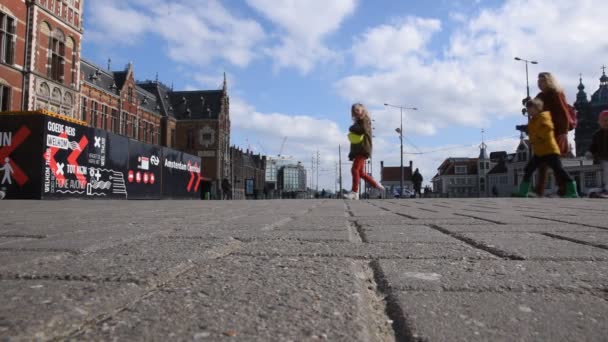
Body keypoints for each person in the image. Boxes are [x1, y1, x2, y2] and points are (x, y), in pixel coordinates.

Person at [514, 99, 578, 198]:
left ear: (537, 108)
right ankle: (523, 192)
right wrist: (523, 128)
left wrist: (539, 136)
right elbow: (531, 128)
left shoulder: (544, 117)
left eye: (530, 109)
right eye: (528, 110)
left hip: (549, 151)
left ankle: (573, 191)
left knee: (559, 170)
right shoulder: (533, 120)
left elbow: (547, 128)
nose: (529, 112)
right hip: (540, 152)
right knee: (528, 169)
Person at [532, 72, 571, 196]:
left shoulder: (556, 94)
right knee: (544, 163)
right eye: (538, 81)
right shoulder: (540, 96)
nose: (539, 83)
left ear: (549, 81)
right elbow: (536, 111)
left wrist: (564, 133)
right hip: (545, 133)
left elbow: (564, 113)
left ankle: (564, 188)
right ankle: (542, 190)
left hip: (556, 133)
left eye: (542, 80)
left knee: (554, 163)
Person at [344, 103, 384, 200]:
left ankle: (354, 192)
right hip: (359, 149)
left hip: (363, 149)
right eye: (354, 111)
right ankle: (377, 186)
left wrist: (351, 128)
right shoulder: (359, 121)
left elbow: (362, 130)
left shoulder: (365, 120)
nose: (355, 112)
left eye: (357, 110)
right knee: (361, 173)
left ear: (363, 110)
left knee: (354, 169)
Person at [586, 110, 608, 197]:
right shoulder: (597, 134)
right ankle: (603, 188)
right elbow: (593, 146)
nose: (606, 122)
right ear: (599, 122)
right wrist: (589, 152)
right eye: (604, 120)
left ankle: (605, 188)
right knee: (603, 170)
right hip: (601, 158)